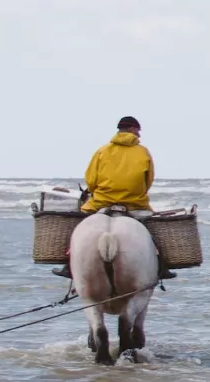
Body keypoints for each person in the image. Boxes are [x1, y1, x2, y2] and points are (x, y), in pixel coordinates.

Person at [53, 116, 174, 280]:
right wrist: (136, 193)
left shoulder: (102, 151)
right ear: (132, 129)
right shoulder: (143, 152)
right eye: (138, 130)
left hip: (102, 201)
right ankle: (162, 266)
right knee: (153, 232)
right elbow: (148, 179)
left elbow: (91, 179)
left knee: (78, 226)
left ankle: (68, 266)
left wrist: (98, 192)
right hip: (134, 203)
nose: (139, 134)